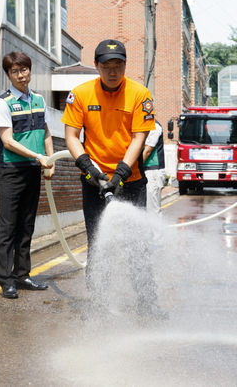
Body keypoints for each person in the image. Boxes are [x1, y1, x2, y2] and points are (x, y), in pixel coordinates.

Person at [61, 39, 167, 319]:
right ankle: (98, 304)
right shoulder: (80, 94)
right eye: (106, 66)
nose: (112, 72)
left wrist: (120, 173)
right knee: (97, 242)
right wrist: (88, 168)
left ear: (124, 66)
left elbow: (139, 138)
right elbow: (71, 137)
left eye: (118, 66)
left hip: (130, 179)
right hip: (94, 179)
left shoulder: (140, 94)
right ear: (96, 66)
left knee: (137, 245)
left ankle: (148, 303)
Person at [0, 52, 54, 299]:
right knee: (8, 227)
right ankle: (5, 280)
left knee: (26, 225)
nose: (21, 75)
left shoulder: (38, 100)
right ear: (8, 75)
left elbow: (46, 132)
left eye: (24, 70)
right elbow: (7, 141)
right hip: (11, 171)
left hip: (33, 170)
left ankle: (22, 275)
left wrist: (49, 160)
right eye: (15, 72)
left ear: (30, 70)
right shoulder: (2, 103)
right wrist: (38, 157)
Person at [142, 120, 166, 215]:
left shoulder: (154, 126)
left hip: (153, 171)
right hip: (144, 170)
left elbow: (147, 151)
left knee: (152, 210)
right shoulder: (140, 125)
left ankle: (156, 229)